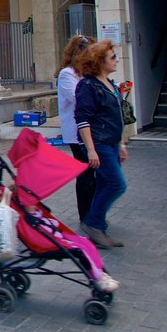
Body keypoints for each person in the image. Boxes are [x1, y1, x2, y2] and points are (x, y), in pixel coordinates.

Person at [74, 39, 128, 249]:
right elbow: (83, 118)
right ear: (99, 61)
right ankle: (92, 223)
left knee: (105, 184)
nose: (116, 60)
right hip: (100, 143)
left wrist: (122, 144)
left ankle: (98, 227)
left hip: (112, 142)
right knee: (117, 184)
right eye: (112, 57)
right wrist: (90, 149)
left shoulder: (110, 84)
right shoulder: (88, 85)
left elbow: (118, 117)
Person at [56, 35, 96, 222]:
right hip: (76, 132)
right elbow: (78, 98)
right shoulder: (67, 74)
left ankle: (93, 212)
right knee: (86, 174)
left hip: (90, 129)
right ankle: (86, 215)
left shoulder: (86, 74)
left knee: (93, 173)